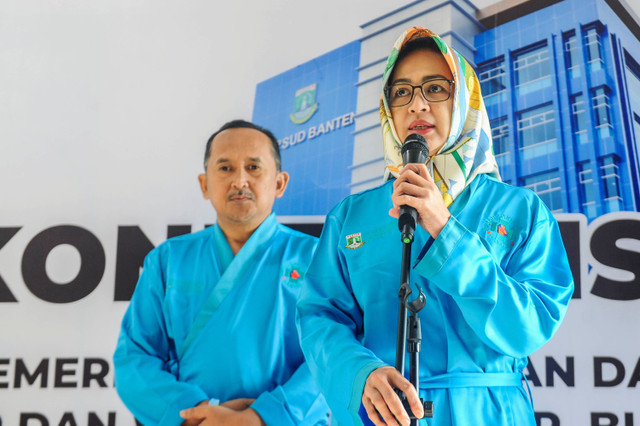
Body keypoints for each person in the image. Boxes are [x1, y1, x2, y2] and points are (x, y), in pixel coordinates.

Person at [296, 27, 574, 426]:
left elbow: (530, 324)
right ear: (388, 110)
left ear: (463, 98)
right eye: (402, 92)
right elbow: (320, 317)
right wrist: (361, 375)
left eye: (436, 88)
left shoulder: (521, 210)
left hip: (490, 415)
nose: (417, 105)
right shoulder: (351, 216)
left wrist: (445, 228)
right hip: (384, 414)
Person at [113, 120, 329, 426]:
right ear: (204, 184)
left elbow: (338, 353)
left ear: (279, 183)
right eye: (225, 168)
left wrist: (264, 416)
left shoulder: (318, 258)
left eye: (254, 167)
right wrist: (196, 415)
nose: (239, 180)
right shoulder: (169, 259)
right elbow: (133, 359)